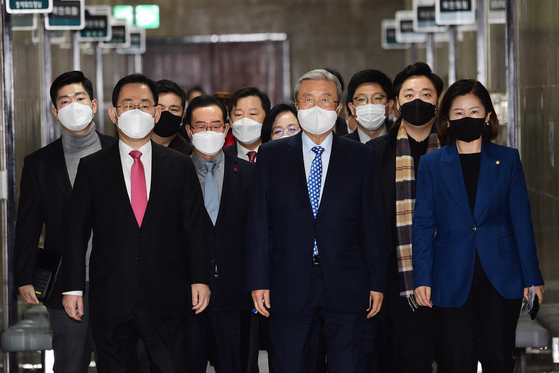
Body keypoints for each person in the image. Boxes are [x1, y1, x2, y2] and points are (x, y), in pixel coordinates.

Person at [61, 73, 211, 373]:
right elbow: (76, 232)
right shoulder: (92, 168)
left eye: (144, 105)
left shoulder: (180, 166)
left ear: (157, 113)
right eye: (128, 105)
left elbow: (195, 227)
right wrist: (73, 288)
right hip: (112, 297)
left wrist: (201, 278)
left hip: (168, 297)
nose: (137, 112)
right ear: (113, 113)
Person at [247, 69, 389, 373]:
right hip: (288, 281)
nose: (315, 107)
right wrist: (259, 280)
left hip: (347, 281)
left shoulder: (360, 156)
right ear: (296, 106)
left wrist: (377, 283)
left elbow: (373, 225)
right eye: (308, 99)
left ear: (338, 108)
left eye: (325, 100)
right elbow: (258, 223)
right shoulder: (271, 155)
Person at [413, 79, 545, 372]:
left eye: (474, 111)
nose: (466, 118)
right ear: (446, 119)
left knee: (498, 356)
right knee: (455, 359)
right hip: (449, 274)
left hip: (500, 274)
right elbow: (422, 224)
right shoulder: (432, 164)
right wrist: (421, 277)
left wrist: (532, 277)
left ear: (487, 116)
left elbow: (521, 220)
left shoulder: (507, 159)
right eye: (458, 113)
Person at [13, 71, 116, 373]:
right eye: (65, 101)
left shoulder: (120, 152)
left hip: (115, 279)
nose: (74, 105)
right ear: (56, 112)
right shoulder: (40, 164)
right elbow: (28, 224)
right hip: (65, 281)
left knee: (120, 361)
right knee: (70, 363)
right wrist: (23, 276)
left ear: (94, 105)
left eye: (80, 98)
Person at [367, 62, 444, 373]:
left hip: (449, 273)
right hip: (397, 278)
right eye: (408, 94)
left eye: (426, 94)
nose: (417, 101)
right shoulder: (374, 154)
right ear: (395, 104)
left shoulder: (455, 149)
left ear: (438, 102)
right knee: (410, 359)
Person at [185, 95, 254, 373]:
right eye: (201, 126)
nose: (209, 132)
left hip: (235, 293)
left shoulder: (249, 173)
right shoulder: (172, 172)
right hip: (186, 294)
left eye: (216, 125)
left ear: (227, 129)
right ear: (188, 131)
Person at [346, 69, 394, 143]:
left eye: (377, 99)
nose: (370, 105)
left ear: (390, 105)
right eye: (362, 99)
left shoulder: (403, 144)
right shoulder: (338, 147)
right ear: (351, 107)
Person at [224, 87, 271, 163]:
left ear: (267, 117)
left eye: (252, 114)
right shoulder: (222, 158)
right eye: (238, 114)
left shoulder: (278, 155)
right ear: (230, 121)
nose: (245, 120)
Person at [151, 79, 193, 155]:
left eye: (173, 109)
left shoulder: (190, 155)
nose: (166, 113)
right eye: (160, 108)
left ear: (182, 117)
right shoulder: (134, 149)